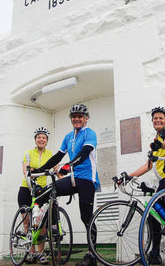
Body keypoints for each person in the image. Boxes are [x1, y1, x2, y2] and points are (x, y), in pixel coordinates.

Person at [118, 106, 165, 266]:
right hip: (163, 181)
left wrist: (160, 145)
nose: (158, 120)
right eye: (155, 118)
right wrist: (129, 176)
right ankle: (155, 253)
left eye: (161, 118)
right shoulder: (155, 140)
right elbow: (148, 166)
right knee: (153, 214)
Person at [34, 103, 99, 266]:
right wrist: (40, 170)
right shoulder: (68, 137)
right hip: (73, 177)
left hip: (87, 179)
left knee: (86, 217)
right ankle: (54, 224)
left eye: (80, 116)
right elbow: (57, 156)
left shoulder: (90, 133)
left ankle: (92, 255)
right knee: (50, 190)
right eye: (74, 117)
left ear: (86, 118)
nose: (77, 119)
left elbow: (84, 154)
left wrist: (68, 165)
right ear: (71, 119)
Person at [18, 127, 53, 264]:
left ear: (47, 140)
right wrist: (30, 171)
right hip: (26, 189)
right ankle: (31, 253)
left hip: (41, 191)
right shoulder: (28, 153)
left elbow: (55, 168)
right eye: (39, 137)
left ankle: (41, 254)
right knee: (27, 222)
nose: (41, 139)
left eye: (44, 138)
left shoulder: (50, 154)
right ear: (35, 139)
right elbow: (25, 169)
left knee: (42, 224)